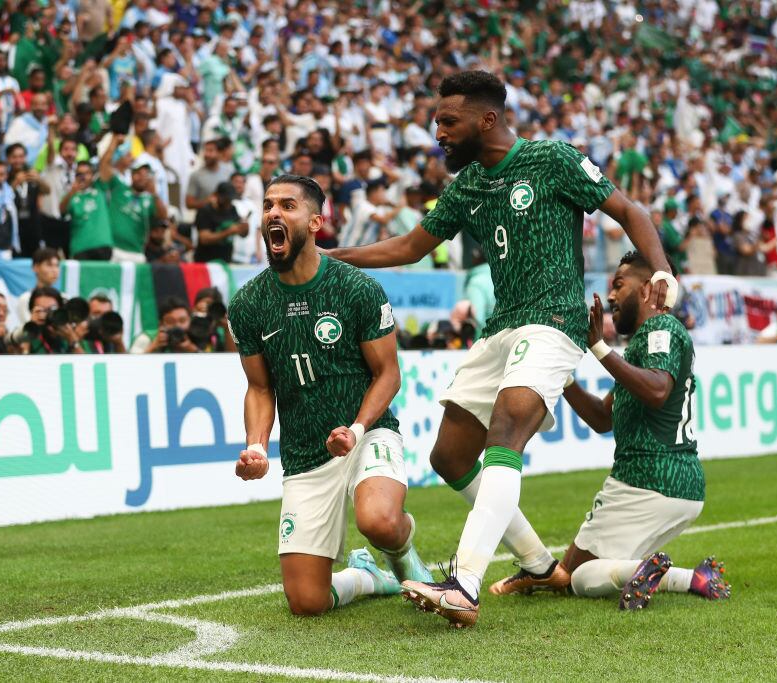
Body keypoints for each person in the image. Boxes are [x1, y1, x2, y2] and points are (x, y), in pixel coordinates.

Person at [327, 71, 675, 627]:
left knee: (506, 433)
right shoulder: (467, 186)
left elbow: (631, 211)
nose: (438, 133)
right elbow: (411, 246)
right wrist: (330, 259)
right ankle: (539, 566)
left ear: (487, 119)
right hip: (500, 328)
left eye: (448, 121)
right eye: (436, 122)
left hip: (554, 319)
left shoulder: (553, 159)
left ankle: (463, 585)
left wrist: (661, 272)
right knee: (449, 457)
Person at [227, 174, 432, 616]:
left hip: (366, 434)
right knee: (307, 602)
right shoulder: (248, 304)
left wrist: (356, 429)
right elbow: (260, 388)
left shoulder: (356, 287)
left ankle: (403, 556)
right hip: (305, 452)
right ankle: (369, 577)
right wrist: (256, 447)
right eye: (268, 206)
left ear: (315, 222)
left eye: (287, 205)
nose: (273, 213)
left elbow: (388, 374)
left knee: (379, 521)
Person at [489, 252, 730, 609]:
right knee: (589, 572)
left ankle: (680, 577)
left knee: (574, 577)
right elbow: (603, 417)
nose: (612, 296)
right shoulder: (645, 343)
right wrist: (560, 374)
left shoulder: (660, 328)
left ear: (647, 288)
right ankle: (687, 576)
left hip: (647, 480)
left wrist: (599, 347)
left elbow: (657, 390)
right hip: (679, 485)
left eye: (619, 285)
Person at [98, 132, 167, 262]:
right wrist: (114, 143)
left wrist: (155, 194)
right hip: (114, 250)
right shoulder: (119, 187)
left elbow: (163, 216)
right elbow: (104, 167)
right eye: (138, 173)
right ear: (131, 175)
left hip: (137, 252)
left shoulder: (150, 199)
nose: (141, 177)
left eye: (146, 174)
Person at [60, 160, 113, 260]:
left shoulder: (100, 188)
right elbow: (62, 210)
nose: (83, 177)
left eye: (87, 173)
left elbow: (105, 164)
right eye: (79, 174)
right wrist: (72, 191)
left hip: (103, 245)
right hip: (80, 247)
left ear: (93, 175)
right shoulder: (71, 196)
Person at [193, 181, 247, 263]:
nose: (228, 203)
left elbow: (242, 234)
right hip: (206, 262)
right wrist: (228, 232)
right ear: (217, 195)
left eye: (230, 199)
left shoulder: (232, 209)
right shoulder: (206, 211)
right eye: (226, 199)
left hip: (226, 260)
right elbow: (204, 239)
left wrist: (244, 228)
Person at [21, 286, 84, 355]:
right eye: (42, 310)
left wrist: (72, 339)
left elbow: (84, 360)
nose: (48, 314)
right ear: (32, 311)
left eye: (53, 309)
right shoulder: (24, 335)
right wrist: (30, 329)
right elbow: (21, 357)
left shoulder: (67, 332)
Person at [14, 247, 61, 329]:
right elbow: (28, 328)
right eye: (49, 265)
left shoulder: (64, 297)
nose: (55, 270)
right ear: (35, 267)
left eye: (57, 265)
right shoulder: (25, 299)